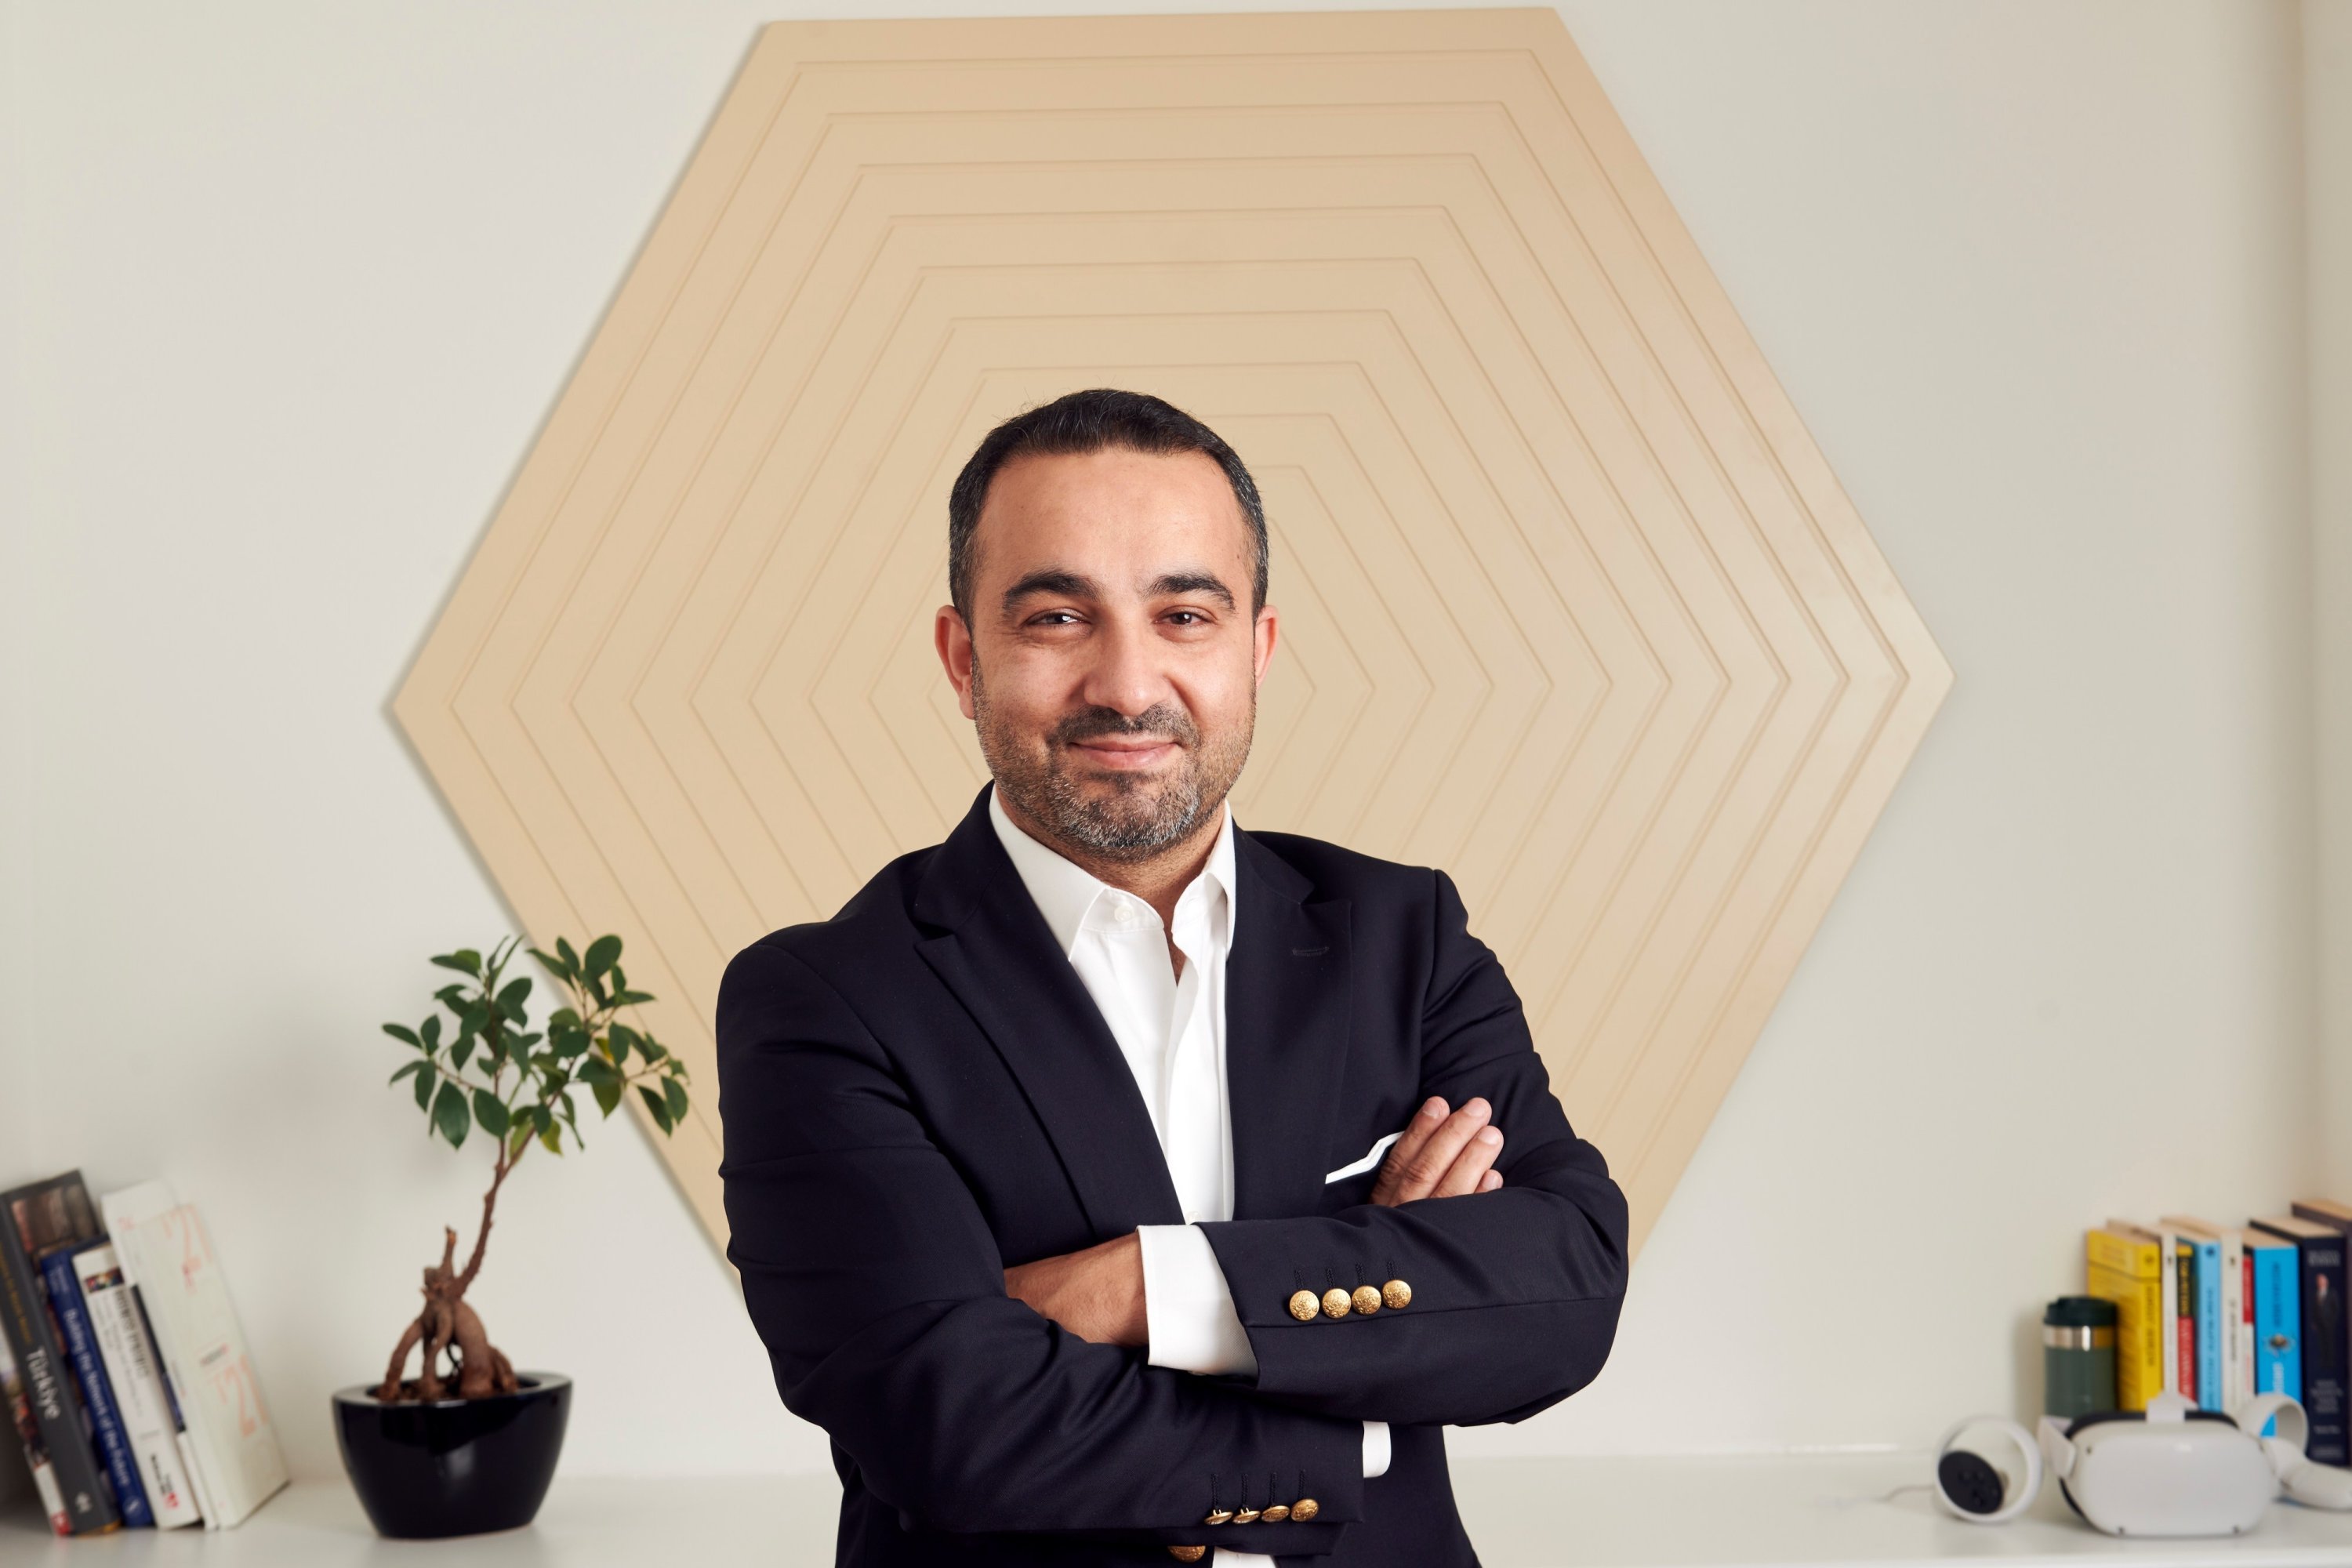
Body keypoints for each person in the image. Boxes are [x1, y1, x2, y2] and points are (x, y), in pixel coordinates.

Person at [717, 389, 1630, 1566]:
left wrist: (1138, 1288)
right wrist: (1356, 1391)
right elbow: (945, 1423)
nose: (1126, 683)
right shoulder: (822, 998)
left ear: (1257, 649)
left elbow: (1567, 1287)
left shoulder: (1407, 938)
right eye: (1057, 617)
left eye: (1185, 614)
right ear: (962, 656)